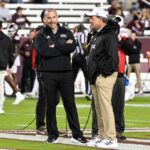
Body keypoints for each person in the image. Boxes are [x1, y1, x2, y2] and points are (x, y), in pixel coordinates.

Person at [34, 9, 87, 143]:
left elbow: (72, 47)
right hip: (48, 73)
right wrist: (62, 47)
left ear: (57, 17)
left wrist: (54, 46)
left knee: (70, 104)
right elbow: (43, 51)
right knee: (50, 105)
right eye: (49, 18)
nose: (52, 20)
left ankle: (77, 135)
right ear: (44, 20)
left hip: (66, 73)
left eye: (54, 17)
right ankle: (52, 135)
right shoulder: (40, 35)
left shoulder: (67, 31)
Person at [85, 7, 119, 149]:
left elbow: (113, 59)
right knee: (98, 109)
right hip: (96, 76)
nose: (90, 20)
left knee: (105, 107)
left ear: (101, 19)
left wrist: (102, 74)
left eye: (92, 17)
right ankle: (101, 135)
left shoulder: (109, 35)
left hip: (103, 76)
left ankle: (111, 138)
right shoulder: (97, 34)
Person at [0, 20, 14, 113]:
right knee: (0, 88)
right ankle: (0, 107)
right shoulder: (7, 39)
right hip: (2, 66)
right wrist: (9, 66)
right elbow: (11, 55)